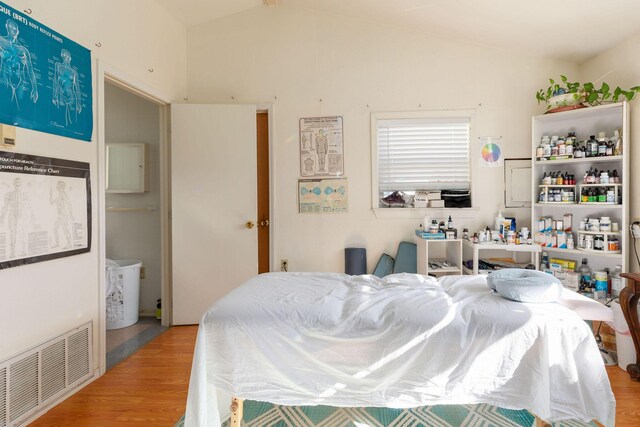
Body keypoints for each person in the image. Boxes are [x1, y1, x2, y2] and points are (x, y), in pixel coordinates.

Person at [0, 19, 38, 108]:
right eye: (11, 27)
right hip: (5, 77)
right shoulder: (1, 41)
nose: (13, 30)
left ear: (18, 31)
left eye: (15, 29)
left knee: (18, 108)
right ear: (7, 27)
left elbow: (31, 71)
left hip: (20, 80)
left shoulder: (23, 50)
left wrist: (35, 89)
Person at [0, 177, 31, 258]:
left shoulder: (25, 194)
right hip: (12, 215)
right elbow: (5, 206)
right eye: (16, 183)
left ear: (21, 184)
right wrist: (2, 217)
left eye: (19, 183)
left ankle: (23, 251)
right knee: (12, 233)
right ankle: (12, 252)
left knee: (23, 233)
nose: (18, 185)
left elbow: (29, 207)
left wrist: (31, 217)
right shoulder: (9, 194)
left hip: (23, 216)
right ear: (14, 184)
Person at [53, 49, 82, 125]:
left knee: (71, 120)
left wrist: (79, 103)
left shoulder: (74, 72)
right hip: (61, 94)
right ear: (62, 56)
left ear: (70, 57)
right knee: (61, 117)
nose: (67, 57)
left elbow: (77, 88)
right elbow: (55, 80)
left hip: (72, 96)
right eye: (65, 55)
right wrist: (54, 96)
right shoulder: (58, 65)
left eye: (68, 55)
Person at [50, 180, 73, 249]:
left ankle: (69, 244)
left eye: (58, 186)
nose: (57, 188)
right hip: (60, 215)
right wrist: (50, 194)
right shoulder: (59, 195)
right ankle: (57, 243)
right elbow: (51, 202)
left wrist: (71, 214)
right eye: (57, 186)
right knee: (55, 229)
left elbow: (69, 205)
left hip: (63, 214)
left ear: (61, 187)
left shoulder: (64, 195)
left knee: (65, 229)